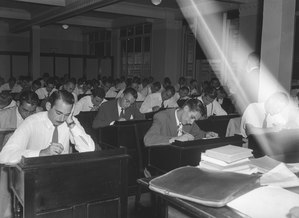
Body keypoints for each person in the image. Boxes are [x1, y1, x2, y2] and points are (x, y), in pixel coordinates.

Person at [0, 90, 95, 164]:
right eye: (58, 113)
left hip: (62, 172)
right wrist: (41, 153)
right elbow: (5, 156)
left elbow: (89, 150)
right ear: (48, 106)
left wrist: (71, 124)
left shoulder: (70, 121)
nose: (62, 118)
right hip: (35, 172)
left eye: (66, 114)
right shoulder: (31, 122)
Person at [0, 91, 39, 218]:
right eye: (25, 110)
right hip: (6, 163)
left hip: (28, 161)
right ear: (17, 104)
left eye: (31, 111)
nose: (28, 115)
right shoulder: (3, 116)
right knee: (4, 194)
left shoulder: (39, 115)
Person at [144, 99, 218, 146]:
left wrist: (206, 134)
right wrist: (176, 139)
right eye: (192, 117)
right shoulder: (162, 116)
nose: (192, 123)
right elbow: (148, 139)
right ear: (186, 108)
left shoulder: (188, 120)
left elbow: (197, 133)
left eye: (194, 120)